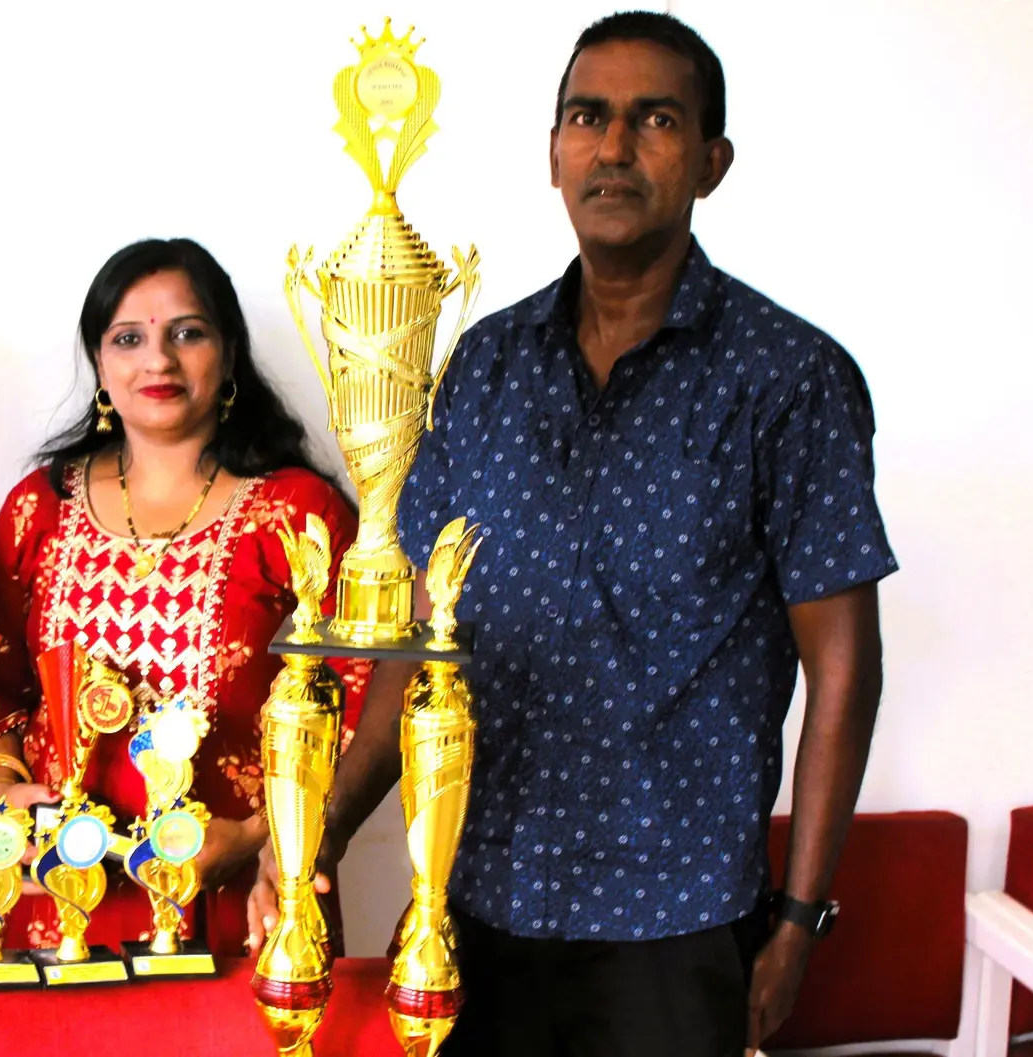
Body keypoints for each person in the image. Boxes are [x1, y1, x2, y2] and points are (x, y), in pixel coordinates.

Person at [251, 12, 896, 1056]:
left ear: (712, 161)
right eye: (588, 117)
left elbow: (845, 667)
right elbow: (419, 639)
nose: (614, 146)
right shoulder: (484, 366)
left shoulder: (787, 379)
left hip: (675, 927)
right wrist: (312, 833)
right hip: (474, 905)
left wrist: (799, 919)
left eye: (656, 120)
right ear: (553, 153)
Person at [0, 237, 374, 957]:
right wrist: (3, 789)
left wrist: (261, 837)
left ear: (229, 356)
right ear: (100, 364)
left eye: (187, 332)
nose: (158, 359)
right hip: (60, 913)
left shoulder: (296, 515)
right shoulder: (40, 510)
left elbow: (358, 707)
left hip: (247, 898)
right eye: (129, 338)